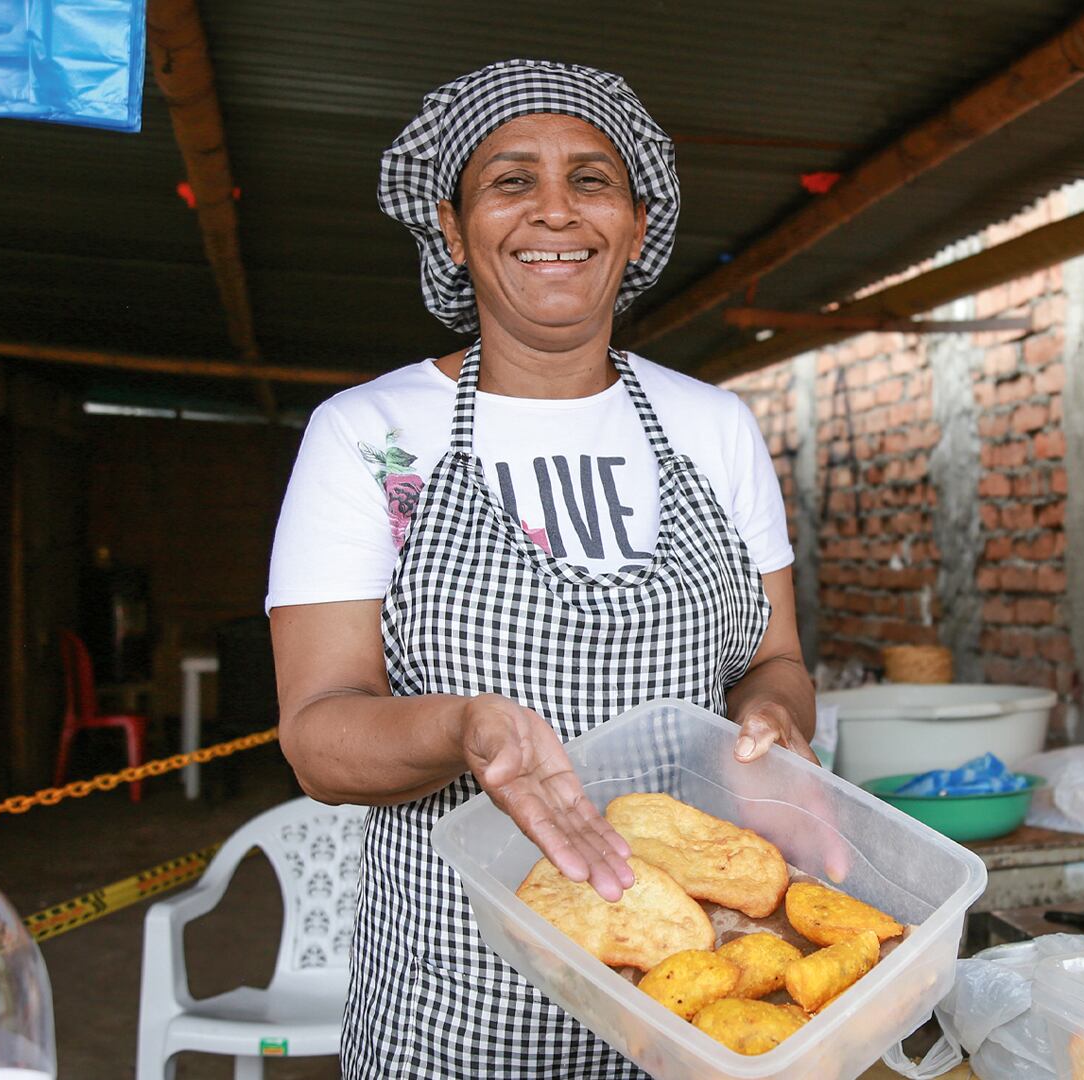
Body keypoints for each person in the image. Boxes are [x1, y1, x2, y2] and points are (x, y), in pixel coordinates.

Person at [265, 59, 816, 1077]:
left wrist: (776, 722)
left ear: (637, 226)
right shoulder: (370, 435)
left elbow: (773, 661)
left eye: (591, 180)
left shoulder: (712, 427)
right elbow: (318, 739)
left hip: (695, 997)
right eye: (511, 180)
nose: (555, 210)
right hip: (458, 1002)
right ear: (452, 227)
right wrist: (462, 728)